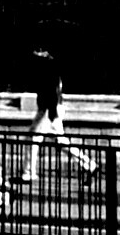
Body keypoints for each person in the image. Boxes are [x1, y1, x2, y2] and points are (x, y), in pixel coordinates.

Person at [17, 54, 94, 190]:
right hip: (51, 108)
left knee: (32, 139)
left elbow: (52, 92)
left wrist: (51, 111)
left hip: (48, 109)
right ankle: (88, 164)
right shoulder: (51, 69)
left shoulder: (48, 69)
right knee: (61, 142)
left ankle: (28, 173)